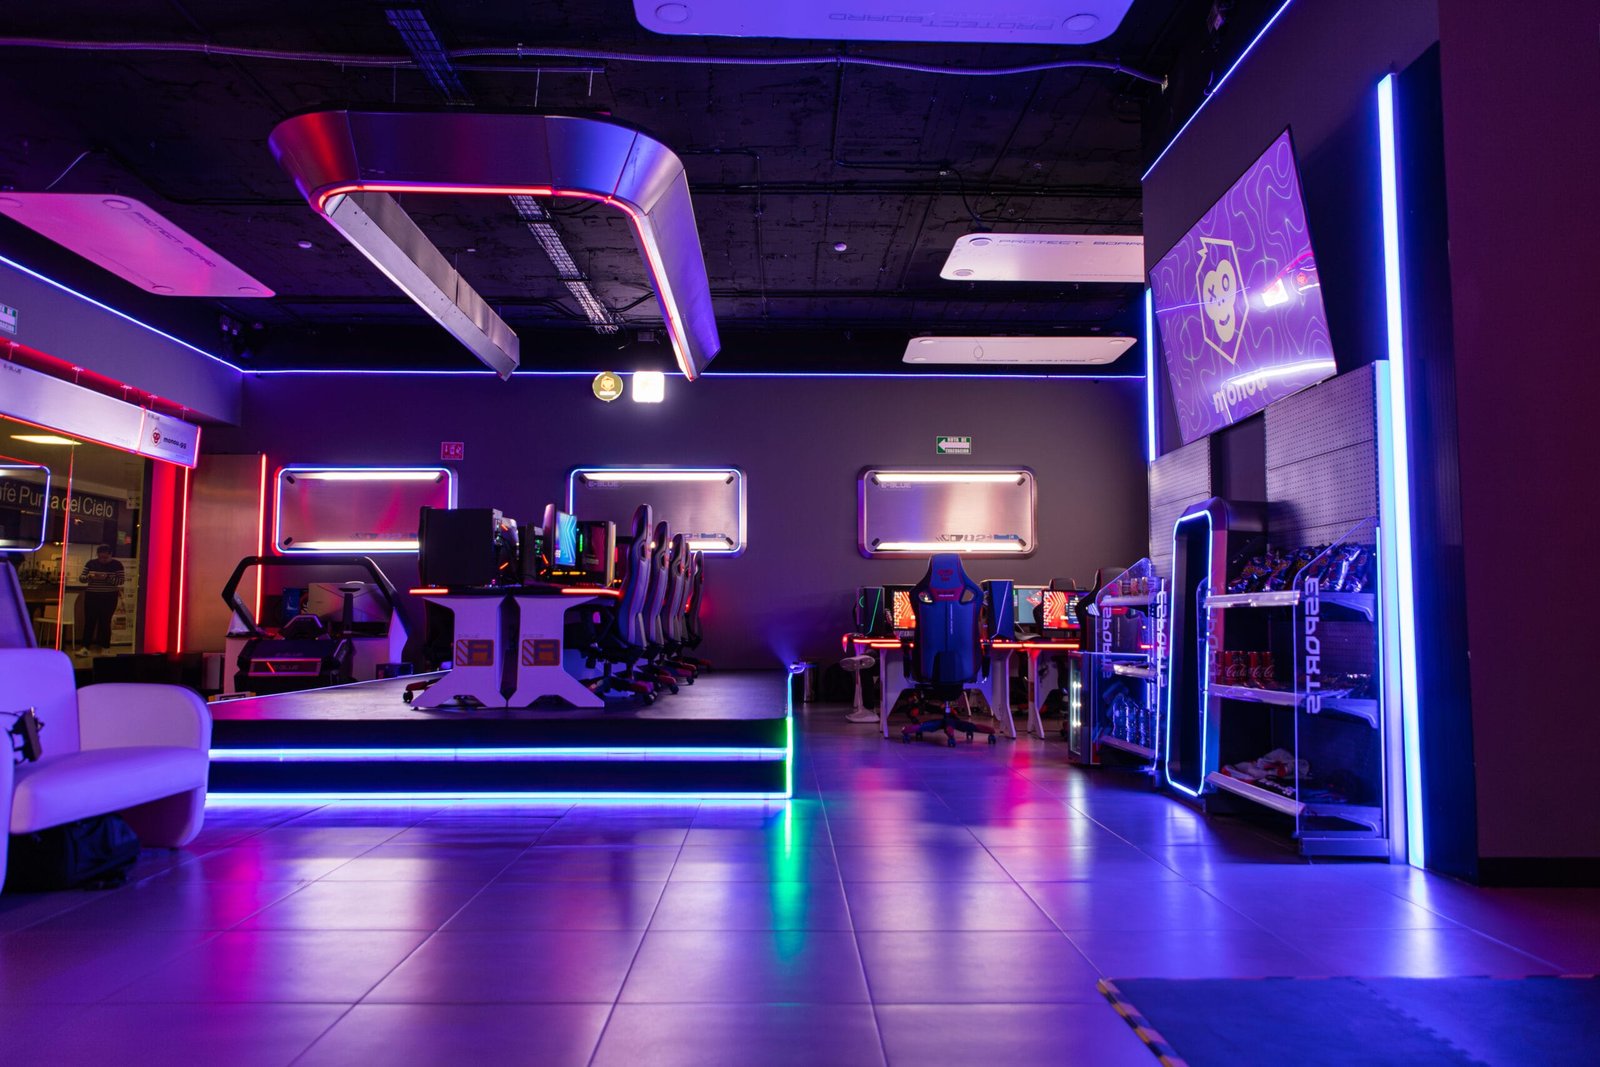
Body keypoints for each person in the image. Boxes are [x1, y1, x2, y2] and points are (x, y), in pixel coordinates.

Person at [78, 544, 124, 656]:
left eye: (105, 557)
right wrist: (90, 577)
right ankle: (85, 647)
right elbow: (82, 578)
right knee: (89, 622)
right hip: (92, 596)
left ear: (110, 555)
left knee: (105, 622)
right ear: (97, 555)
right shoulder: (91, 563)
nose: (102, 560)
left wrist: (106, 577)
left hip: (109, 597)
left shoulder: (117, 565)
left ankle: (105, 647)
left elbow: (120, 581)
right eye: (100, 557)